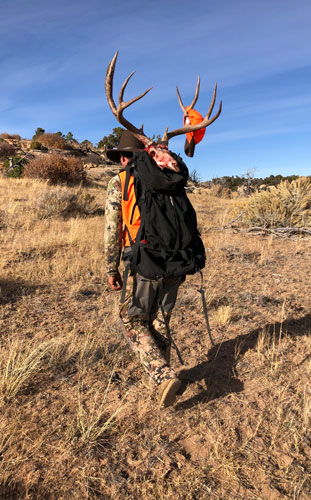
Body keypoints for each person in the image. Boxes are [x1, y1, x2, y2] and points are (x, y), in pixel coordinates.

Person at [104, 130, 184, 408]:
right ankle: (166, 380)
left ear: (125, 157)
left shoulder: (121, 181)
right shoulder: (167, 176)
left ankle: (163, 377)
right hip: (178, 260)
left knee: (133, 321)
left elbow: (112, 230)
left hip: (145, 262)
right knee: (160, 320)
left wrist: (111, 269)